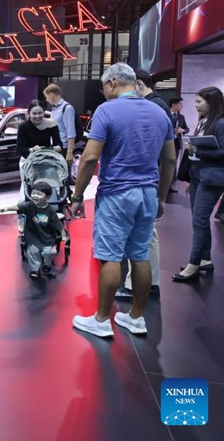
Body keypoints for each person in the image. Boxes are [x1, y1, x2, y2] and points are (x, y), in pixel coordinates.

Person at [70, 63, 175, 338]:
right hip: (148, 194)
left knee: (110, 256)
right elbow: (170, 159)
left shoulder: (107, 110)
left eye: (103, 87)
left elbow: (90, 157)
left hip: (117, 193)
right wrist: (161, 197)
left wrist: (77, 196)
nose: (103, 93)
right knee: (140, 255)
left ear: (113, 83)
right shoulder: (159, 111)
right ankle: (137, 318)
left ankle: (102, 320)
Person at [116, 70, 172, 300]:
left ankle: (139, 285)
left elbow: (165, 156)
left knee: (143, 237)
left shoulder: (154, 107)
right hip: (148, 179)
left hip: (144, 179)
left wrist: (161, 195)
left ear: (138, 84)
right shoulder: (157, 106)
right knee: (145, 234)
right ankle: (148, 283)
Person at [172, 86, 224, 281]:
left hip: (211, 179)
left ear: (211, 102)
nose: (195, 106)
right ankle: (204, 259)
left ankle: (193, 264)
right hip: (198, 176)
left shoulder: (220, 124)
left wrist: (197, 151)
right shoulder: (204, 122)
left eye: (199, 102)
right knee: (199, 220)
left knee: (200, 221)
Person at [0, 182, 65, 279]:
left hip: (47, 238)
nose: (35, 196)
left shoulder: (50, 211)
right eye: (33, 193)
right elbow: (18, 206)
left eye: (39, 194)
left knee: (49, 252)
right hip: (33, 237)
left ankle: (47, 264)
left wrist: (63, 235)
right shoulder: (29, 206)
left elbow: (58, 225)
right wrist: (7, 208)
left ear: (47, 197)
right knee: (33, 252)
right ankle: (35, 270)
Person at [15, 100, 62, 202]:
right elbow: (19, 147)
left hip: (46, 161)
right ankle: (27, 207)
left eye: (40, 113)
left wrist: (58, 147)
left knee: (49, 184)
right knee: (28, 186)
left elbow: (58, 142)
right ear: (29, 114)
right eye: (34, 113)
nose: (37, 116)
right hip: (29, 162)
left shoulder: (51, 124)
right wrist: (31, 149)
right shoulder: (24, 127)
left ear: (44, 112)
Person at [43, 84, 76, 170]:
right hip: (54, 147)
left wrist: (69, 152)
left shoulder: (67, 108)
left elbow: (71, 132)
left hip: (63, 149)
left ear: (52, 95)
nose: (46, 100)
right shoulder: (54, 109)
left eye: (46, 97)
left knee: (62, 177)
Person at [168, 96, 189, 192]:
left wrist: (183, 130)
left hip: (176, 143)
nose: (182, 106)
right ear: (174, 105)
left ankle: (170, 185)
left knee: (173, 163)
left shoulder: (181, 117)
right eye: (180, 104)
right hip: (166, 143)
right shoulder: (165, 114)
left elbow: (187, 129)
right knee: (164, 163)